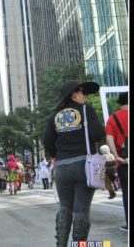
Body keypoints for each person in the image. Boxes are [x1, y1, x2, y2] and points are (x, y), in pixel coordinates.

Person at [44, 80, 105, 246]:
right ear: (74, 94)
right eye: (82, 92)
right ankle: (79, 245)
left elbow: (47, 143)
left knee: (64, 207)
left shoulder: (54, 115)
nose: (84, 95)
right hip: (83, 165)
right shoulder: (86, 110)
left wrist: (60, 155)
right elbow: (99, 134)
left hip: (62, 167)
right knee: (81, 210)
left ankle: (61, 244)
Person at [105, 91, 128, 232]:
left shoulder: (113, 119)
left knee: (127, 193)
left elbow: (109, 138)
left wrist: (116, 156)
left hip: (124, 161)